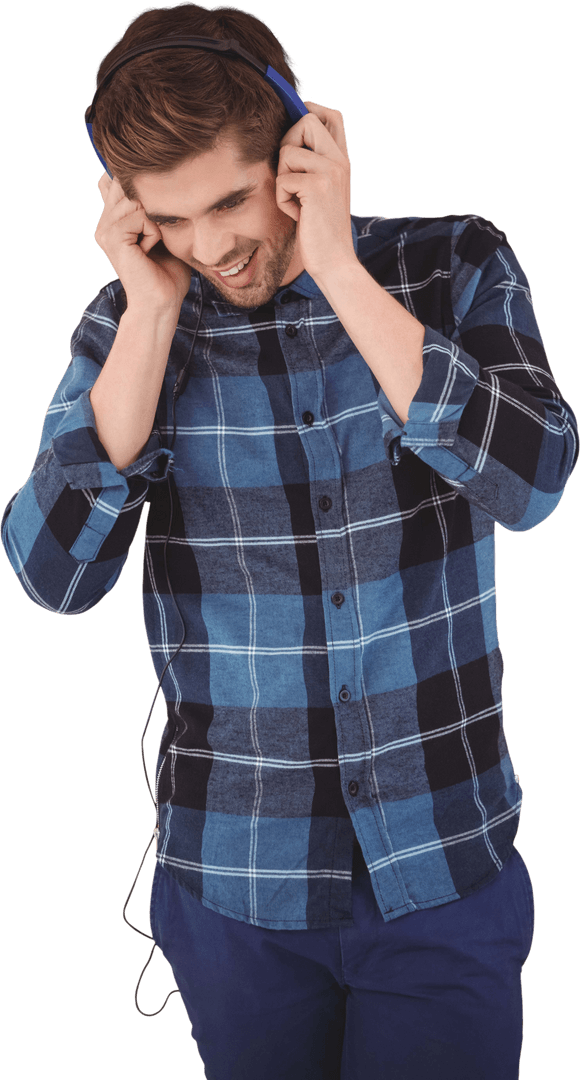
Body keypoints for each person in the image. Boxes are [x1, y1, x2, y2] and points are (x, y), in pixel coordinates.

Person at [1, 4, 578, 1078]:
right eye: (170, 218)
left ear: (301, 143)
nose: (211, 244)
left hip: (444, 863)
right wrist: (152, 315)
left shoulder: (451, 263)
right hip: (234, 891)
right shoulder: (131, 325)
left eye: (230, 198)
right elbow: (52, 576)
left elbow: (532, 482)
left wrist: (340, 273)